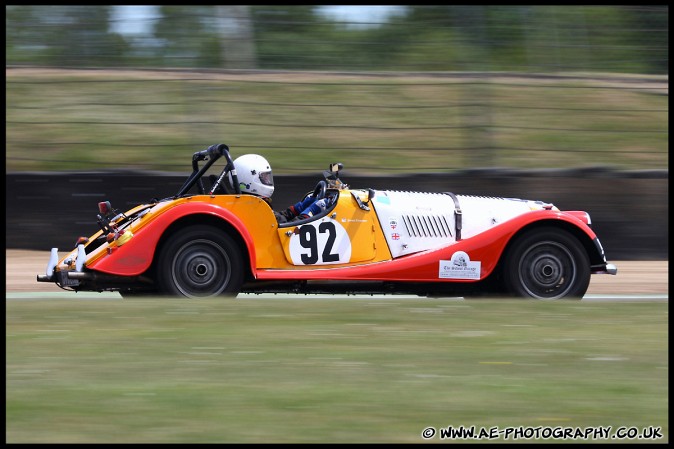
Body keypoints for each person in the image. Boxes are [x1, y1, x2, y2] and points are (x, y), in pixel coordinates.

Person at [232, 154, 330, 223]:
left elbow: (278, 218)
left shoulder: (250, 204)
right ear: (249, 180)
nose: (268, 180)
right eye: (264, 177)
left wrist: (298, 208)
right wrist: (310, 212)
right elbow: (287, 228)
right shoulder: (256, 209)